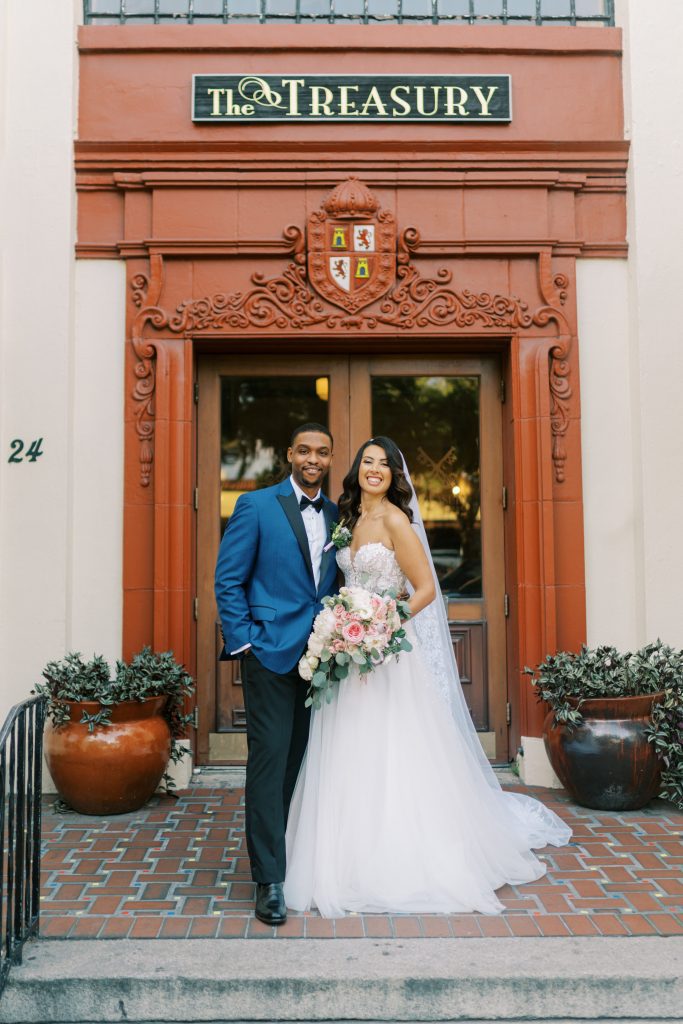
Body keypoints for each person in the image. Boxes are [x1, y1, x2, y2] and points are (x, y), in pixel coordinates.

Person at [284, 436, 571, 917]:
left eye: (386, 465)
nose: (375, 470)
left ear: (396, 476)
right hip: (349, 657)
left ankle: (404, 856)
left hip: (388, 655)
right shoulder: (347, 520)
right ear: (356, 471)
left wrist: (378, 625)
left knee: (395, 749)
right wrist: (344, 629)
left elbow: (423, 591)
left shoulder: (397, 521)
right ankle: (346, 854)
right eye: (368, 462)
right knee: (348, 749)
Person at [215, 423, 338, 926]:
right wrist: (245, 641)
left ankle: (291, 854)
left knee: (299, 763)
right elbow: (229, 578)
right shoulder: (256, 505)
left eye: (322, 452)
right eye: (305, 450)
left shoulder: (337, 515)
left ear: (330, 459)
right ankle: (268, 879)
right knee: (268, 764)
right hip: (268, 652)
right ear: (289, 454)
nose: (313, 459)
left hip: (323, 658)